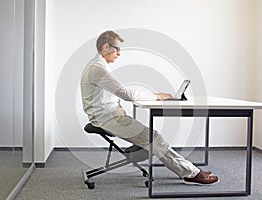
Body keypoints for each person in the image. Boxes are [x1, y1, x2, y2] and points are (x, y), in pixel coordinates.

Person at [80, 30, 219, 185]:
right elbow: (125, 93)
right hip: (107, 119)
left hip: (110, 116)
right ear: (106, 47)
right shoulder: (97, 68)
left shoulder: (98, 65)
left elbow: (119, 93)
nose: (119, 53)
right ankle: (190, 173)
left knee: (151, 138)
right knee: (154, 138)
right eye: (117, 48)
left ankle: (188, 168)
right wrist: (157, 96)